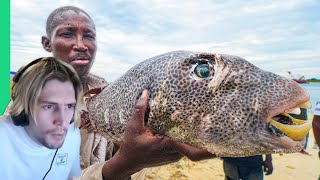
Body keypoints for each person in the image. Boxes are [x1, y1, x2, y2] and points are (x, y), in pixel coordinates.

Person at [40, 6, 215, 179]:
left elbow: (114, 152)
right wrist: (126, 163)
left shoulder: (102, 91)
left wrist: (126, 142)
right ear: (47, 43)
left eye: (88, 36)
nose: (81, 45)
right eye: (67, 34)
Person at [0, 57, 83, 179]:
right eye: (49, 106)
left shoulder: (73, 134)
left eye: (69, 106)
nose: (62, 120)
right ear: (23, 108)